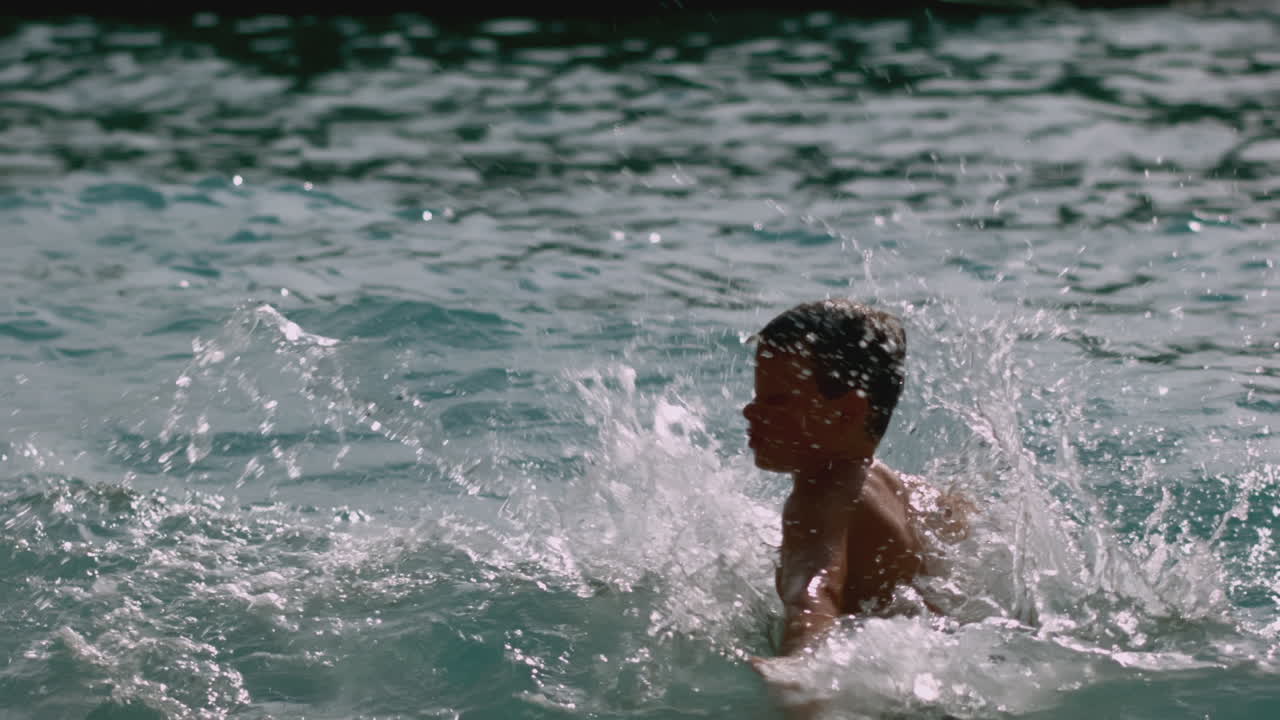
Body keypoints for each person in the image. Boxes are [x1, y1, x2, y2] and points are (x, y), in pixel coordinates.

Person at [743, 300, 968, 694]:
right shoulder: (914, 494)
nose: (750, 411)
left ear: (847, 412)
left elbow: (814, 594)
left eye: (776, 401)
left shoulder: (819, 496)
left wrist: (796, 669)